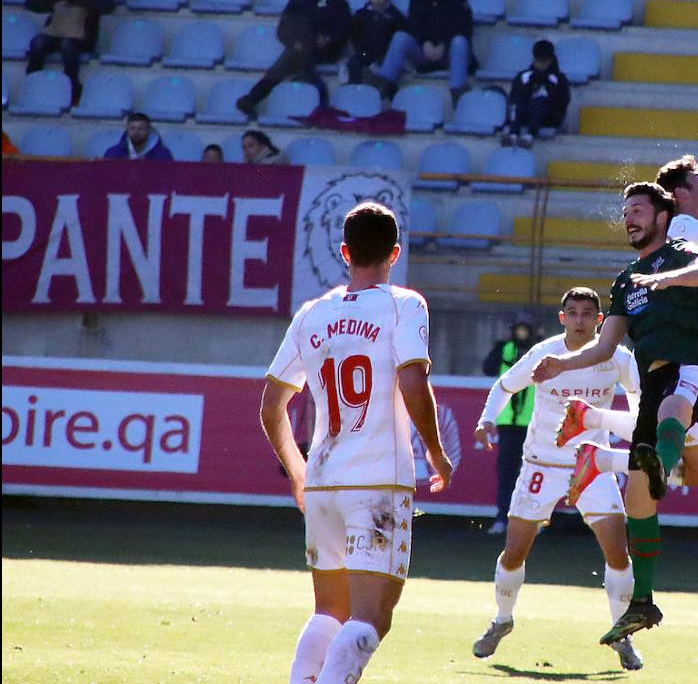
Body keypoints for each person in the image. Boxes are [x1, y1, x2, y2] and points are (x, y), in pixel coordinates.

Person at [260, 201, 453, 684]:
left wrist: (299, 473)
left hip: (324, 481)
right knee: (370, 617)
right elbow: (412, 384)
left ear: (344, 252)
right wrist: (434, 451)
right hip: (378, 482)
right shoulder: (404, 304)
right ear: (395, 253)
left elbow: (271, 405)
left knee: (329, 610)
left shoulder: (312, 314)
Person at [531, 182, 698, 645]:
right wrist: (562, 363)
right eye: (626, 212)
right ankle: (643, 600)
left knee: (675, 410)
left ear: (661, 216)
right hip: (650, 383)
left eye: (638, 210)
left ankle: (660, 463)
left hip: (686, 367)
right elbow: (604, 346)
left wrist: (667, 279)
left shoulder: (681, 251)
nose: (630, 218)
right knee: (639, 505)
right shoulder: (624, 280)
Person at [470, 288, 645, 671]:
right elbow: (504, 386)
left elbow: (639, 405)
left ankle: (621, 632)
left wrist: (639, 436)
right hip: (543, 463)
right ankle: (502, 620)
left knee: (617, 551)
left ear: (600, 320)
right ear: (562, 317)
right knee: (515, 549)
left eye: (588, 313)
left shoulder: (616, 357)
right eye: (573, 313)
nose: (580, 319)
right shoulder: (544, 354)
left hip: (593, 464)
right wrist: (486, 420)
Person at [559, 157, 698, 499]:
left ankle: (598, 454)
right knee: (671, 438)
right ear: (680, 196)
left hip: (691, 357)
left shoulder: (688, 230)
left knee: (697, 469)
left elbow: (688, 308)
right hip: (678, 359)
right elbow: (672, 305)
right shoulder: (684, 230)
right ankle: (593, 430)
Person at [235, 0, 351, 119]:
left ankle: (251, 99)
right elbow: (282, 30)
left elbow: (343, 30)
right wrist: (294, 42)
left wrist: (328, 39)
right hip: (302, 48)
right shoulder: (296, 2)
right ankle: (308, 75)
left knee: (290, 55)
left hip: (327, 50)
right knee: (293, 51)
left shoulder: (340, 5)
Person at [24, 0, 116, 103]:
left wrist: (82, 5)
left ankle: (72, 87)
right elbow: (31, 2)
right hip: (57, 31)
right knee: (37, 43)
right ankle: (32, 83)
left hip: (82, 35)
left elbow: (108, 6)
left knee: (68, 46)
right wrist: (52, 5)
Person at [370, 0, 474, 101]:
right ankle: (385, 86)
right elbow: (412, 28)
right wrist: (425, 43)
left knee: (459, 42)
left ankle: (458, 92)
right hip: (424, 53)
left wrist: (444, 44)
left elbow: (465, 28)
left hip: (449, 53)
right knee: (401, 37)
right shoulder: (416, 1)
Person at [481, 321, 536, 535]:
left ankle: (531, 521)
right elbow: (488, 369)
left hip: (533, 424)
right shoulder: (504, 348)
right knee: (506, 473)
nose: (522, 334)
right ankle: (502, 517)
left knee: (532, 474)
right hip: (508, 425)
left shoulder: (538, 350)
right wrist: (499, 346)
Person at [502, 40, 570, 149]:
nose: (541, 64)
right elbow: (514, 97)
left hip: (549, 117)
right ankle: (513, 133)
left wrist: (547, 85)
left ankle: (530, 135)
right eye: (539, 60)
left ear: (551, 60)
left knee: (540, 100)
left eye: (545, 61)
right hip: (525, 113)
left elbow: (562, 102)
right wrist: (531, 85)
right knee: (518, 101)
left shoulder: (559, 79)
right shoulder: (524, 76)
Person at [347, 0, 405, 85]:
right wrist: (365, 54)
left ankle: (386, 95)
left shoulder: (395, 16)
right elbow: (354, 37)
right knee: (354, 62)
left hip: (386, 57)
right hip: (364, 54)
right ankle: (356, 89)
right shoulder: (360, 15)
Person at [101, 112, 174, 161]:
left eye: (141, 128)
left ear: (148, 130)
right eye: (132, 128)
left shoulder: (163, 154)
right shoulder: (113, 153)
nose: (136, 132)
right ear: (127, 130)